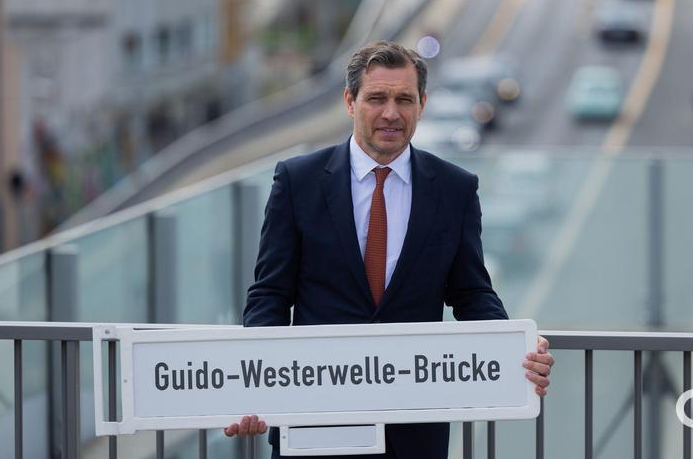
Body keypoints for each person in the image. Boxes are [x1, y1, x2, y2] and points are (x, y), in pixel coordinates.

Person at [224, 41, 554, 458]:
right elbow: (270, 295)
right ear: (350, 101)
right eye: (377, 98)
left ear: (422, 103)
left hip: (413, 433)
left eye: (404, 99)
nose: (391, 113)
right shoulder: (298, 181)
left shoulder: (454, 189)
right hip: (316, 423)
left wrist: (515, 348)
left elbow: (471, 293)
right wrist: (255, 387)